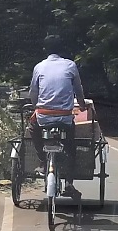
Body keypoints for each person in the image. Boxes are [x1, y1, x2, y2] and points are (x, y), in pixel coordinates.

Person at [27, 34, 87, 197]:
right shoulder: (70, 65)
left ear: (46, 50)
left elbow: (33, 92)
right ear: (62, 50)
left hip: (43, 116)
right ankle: (69, 183)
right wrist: (81, 105)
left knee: (33, 129)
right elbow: (79, 90)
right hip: (64, 118)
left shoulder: (39, 67)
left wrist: (36, 107)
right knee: (70, 147)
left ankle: (42, 161)